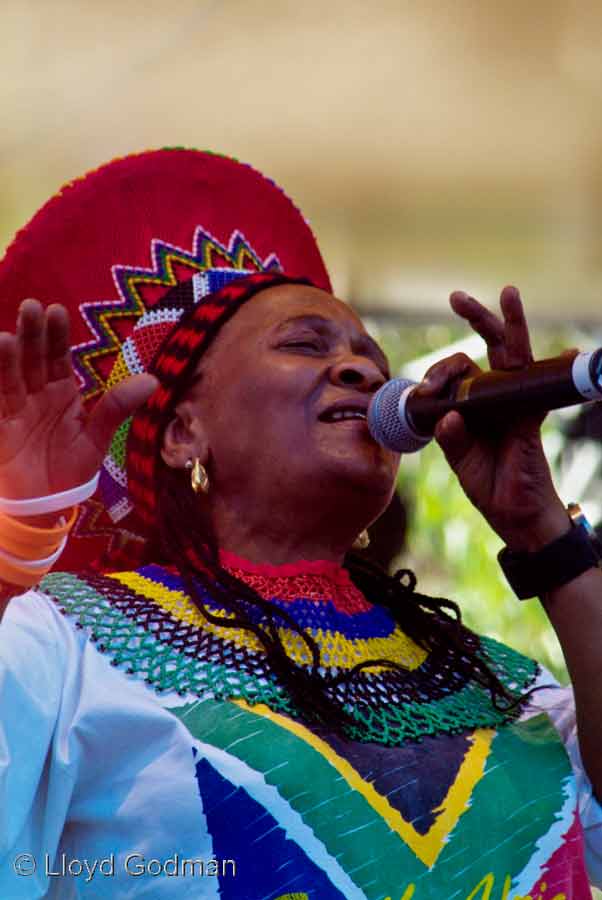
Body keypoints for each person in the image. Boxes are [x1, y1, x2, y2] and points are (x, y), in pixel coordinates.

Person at [0, 148, 601, 900]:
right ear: (184, 433)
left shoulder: (509, 685)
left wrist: (545, 532)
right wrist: (20, 536)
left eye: (372, 360)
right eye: (304, 345)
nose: (360, 371)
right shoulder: (64, 645)